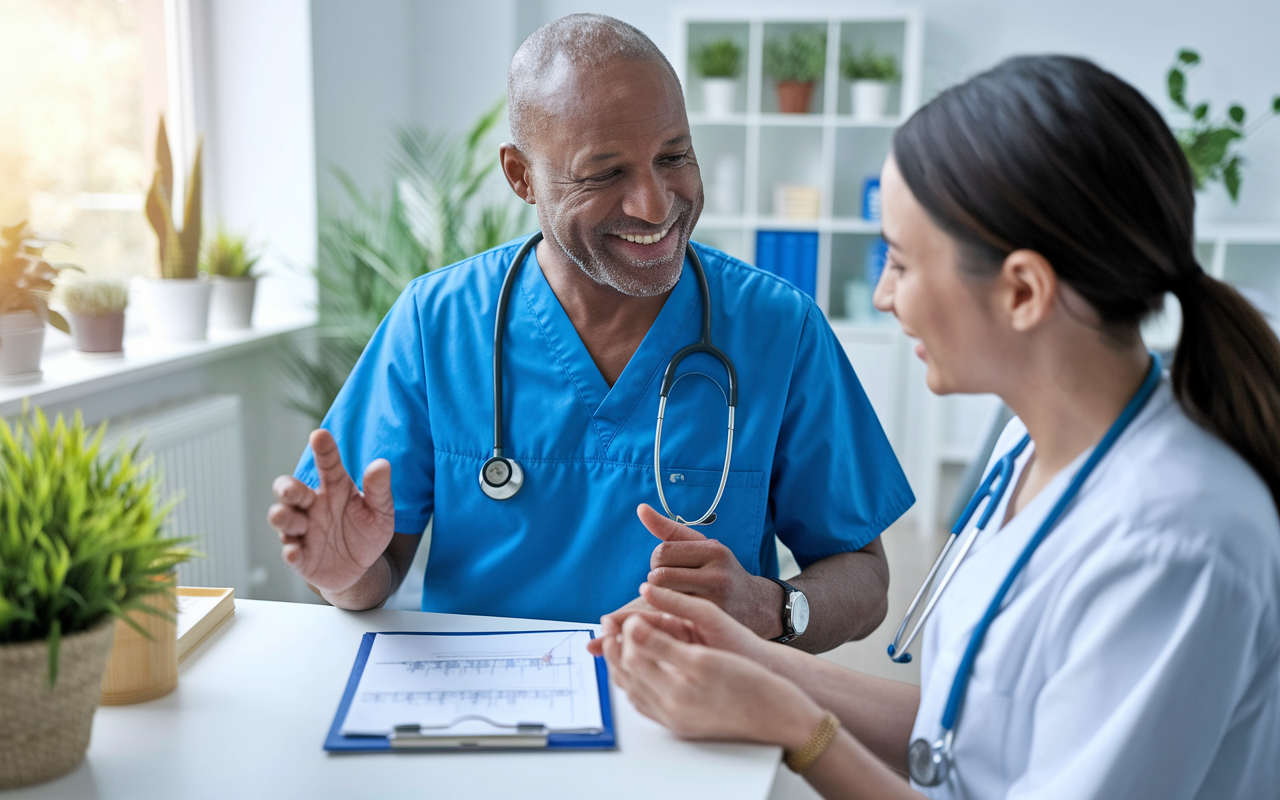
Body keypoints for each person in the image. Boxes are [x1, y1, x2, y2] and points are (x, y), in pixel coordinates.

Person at [599, 55, 1280, 799]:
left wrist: (801, 731)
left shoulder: (1174, 545)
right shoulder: (1035, 449)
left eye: (899, 260)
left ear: (1022, 290)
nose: (884, 295)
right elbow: (965, 735)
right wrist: (750, 655)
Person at [266, 14, 914, 653]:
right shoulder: (436, 322)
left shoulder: (779, 329)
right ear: (521, 175)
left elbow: (864, 577)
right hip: (489, 718)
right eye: (605, 174)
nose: (655, 205)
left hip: (698, 718)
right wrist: (347, 576)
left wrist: (771, 607)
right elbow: (374, 575)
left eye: (674, 156)